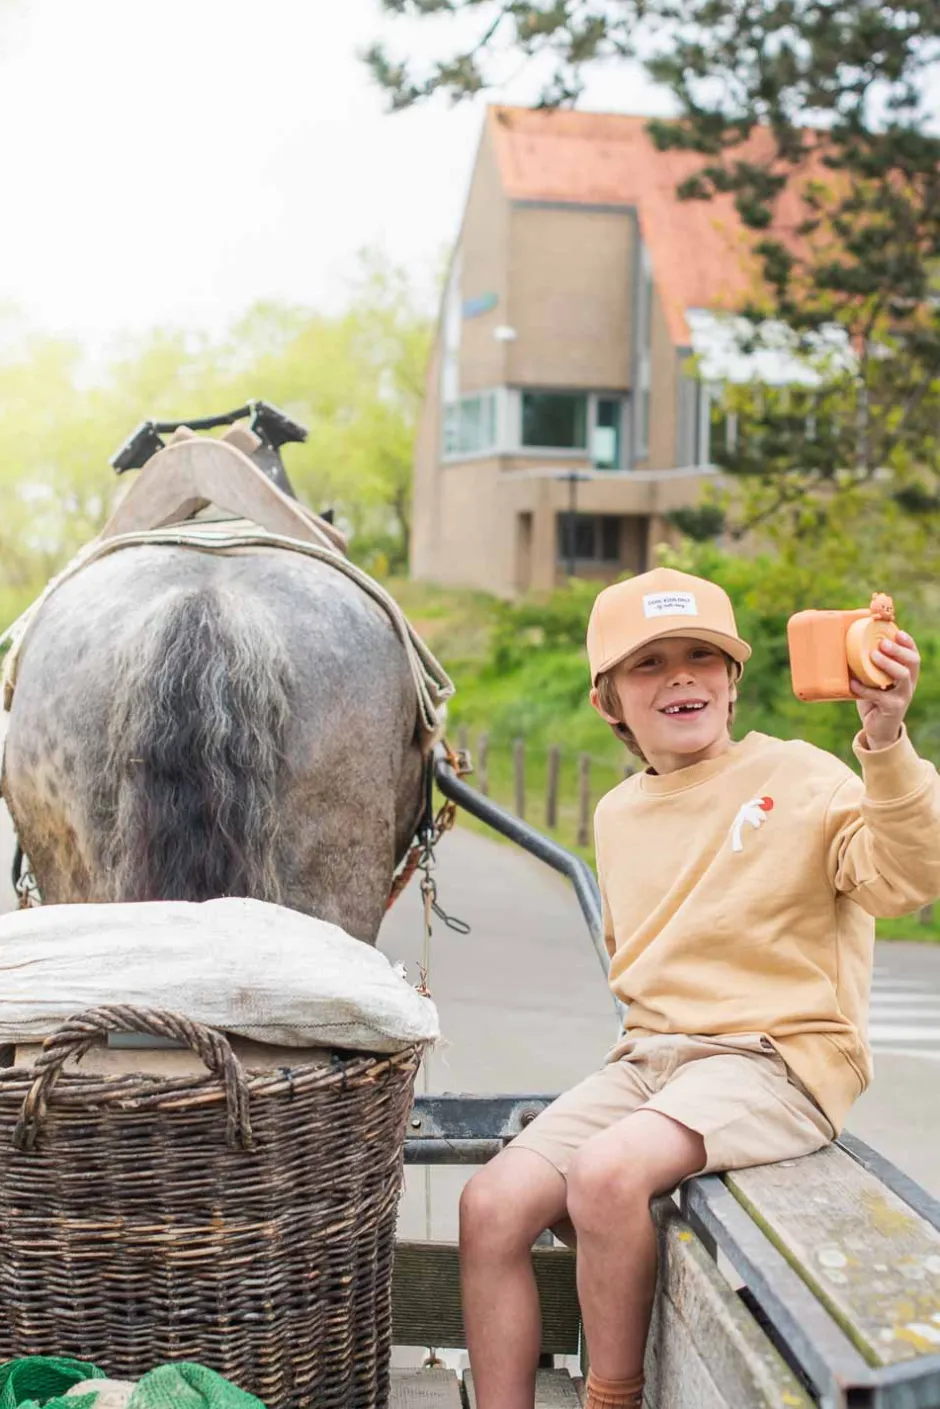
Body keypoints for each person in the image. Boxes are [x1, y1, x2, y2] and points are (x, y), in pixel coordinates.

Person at [458, 566, 940, 1409]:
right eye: (649, 663)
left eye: (702, 656)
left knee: (606, 1175)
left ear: (733, 679)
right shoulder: (617, 813)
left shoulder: (803, 775)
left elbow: (908, 879)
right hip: (653, 1060)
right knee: (489, 1203)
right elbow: (638, 964)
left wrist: (886, 739)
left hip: (776, 1059)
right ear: (608, 701)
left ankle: (613, 1397)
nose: (681, 676)